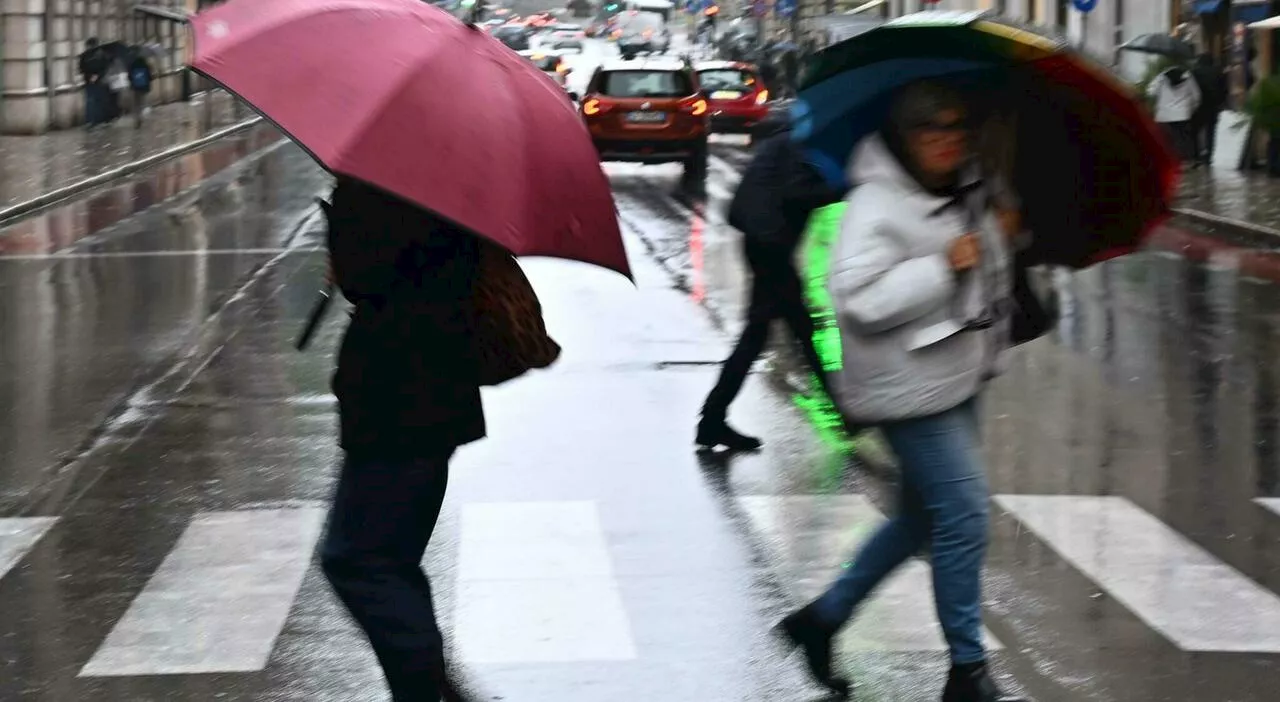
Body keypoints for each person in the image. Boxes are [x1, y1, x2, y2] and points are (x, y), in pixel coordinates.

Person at [776, 82, 1025, 702]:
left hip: (955, 372)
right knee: (964, 512)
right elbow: (858, 300)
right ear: (901, 135)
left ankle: (821, 620)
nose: (945, 139)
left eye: (956, 126)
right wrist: (946, 265)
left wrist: (1001, 234)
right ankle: (968, 672)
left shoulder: (965, 188)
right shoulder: (876, 203)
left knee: (921, 516)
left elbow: (982, 274)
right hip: (904, 385)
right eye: (929, 128)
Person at [318, 177, 484, 702]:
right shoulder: (449, 183)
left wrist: (338, 229)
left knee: (358, 559)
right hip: (431, 396)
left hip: (399, 398)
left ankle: (429, 689)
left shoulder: (383, 186)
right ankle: (429, 687)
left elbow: (368, 271)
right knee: (389, 559)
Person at [696, 114, 847, 451]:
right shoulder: (800, 145)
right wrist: (842, 187)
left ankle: (712, 420)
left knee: (792, 330)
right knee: (773, 334)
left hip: (763, 240)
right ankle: (846, 412)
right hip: (770, 244)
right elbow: (796, 192)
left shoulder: (788, 139)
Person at [1147, 64, 1201, 162]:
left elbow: (1151, 92)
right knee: (1182, 139)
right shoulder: (1188, 77)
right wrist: (1190, 110)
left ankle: (1168, 161)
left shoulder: (1161, 77)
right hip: (1183, 114)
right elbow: (1197, 97)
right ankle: (1184, 160)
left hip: (1164, 115)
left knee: (1166, 139)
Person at [1190, 53, 1228, 167]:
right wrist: (1221, 101)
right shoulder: (1218, 72)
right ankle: (1209, 156)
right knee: (1211, 131)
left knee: (1194, 131)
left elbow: (1191, 89)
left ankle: (1196, 155)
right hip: (1214, 106)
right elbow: (1224, 89)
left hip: (1199, 106)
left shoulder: (1194, 72)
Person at [78, 38, 109, 128]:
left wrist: (92, 75)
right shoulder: (101, 54)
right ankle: (94, 121)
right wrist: (97, 75)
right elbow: (105, 67)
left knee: (92, 101)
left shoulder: (86, 55)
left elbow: (81, 68)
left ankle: (92, 121)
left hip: (92, 80)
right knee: (95, 101)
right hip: (96, 81)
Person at [127, 49, 154, 128]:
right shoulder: (145, 64)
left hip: (135, 87)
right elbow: (150, 76)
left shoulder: (131, 64)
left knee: (136, 103)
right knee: (142, 102)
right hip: (144, 86)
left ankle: (137, 118)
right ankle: (142, 116)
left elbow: (129, 77)